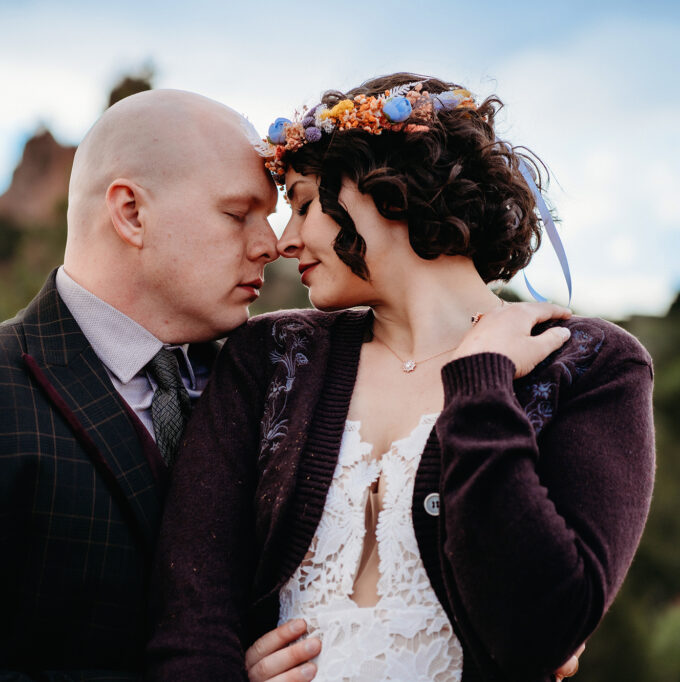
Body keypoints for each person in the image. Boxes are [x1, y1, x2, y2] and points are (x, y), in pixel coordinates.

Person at [147, 74, 655, 681]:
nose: (285, 241)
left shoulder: (592, 364)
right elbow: (189, 613)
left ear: (392, 188)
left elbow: (539, 632)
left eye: (305, 204)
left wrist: (482, 384)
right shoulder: (270, 354)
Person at [0, 88, 324, 680]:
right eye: (237, 213)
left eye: (267, 217)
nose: (269, 244)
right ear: (131, 214)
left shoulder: (272, 388)